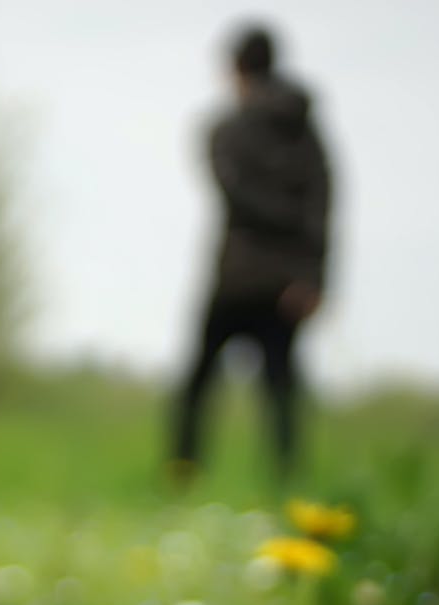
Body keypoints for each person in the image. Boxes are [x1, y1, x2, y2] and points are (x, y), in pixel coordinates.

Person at [170, 24, 332, 490]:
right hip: (288, 281)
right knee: (280, 387)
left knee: (199, 382)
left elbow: (232, 194)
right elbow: (323, 203)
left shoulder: (224, 130)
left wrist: (273, 220)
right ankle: (286, 482)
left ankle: (183, 473)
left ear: (236, 68)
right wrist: (313, 275)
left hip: (237, 275)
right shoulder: (307, 134)